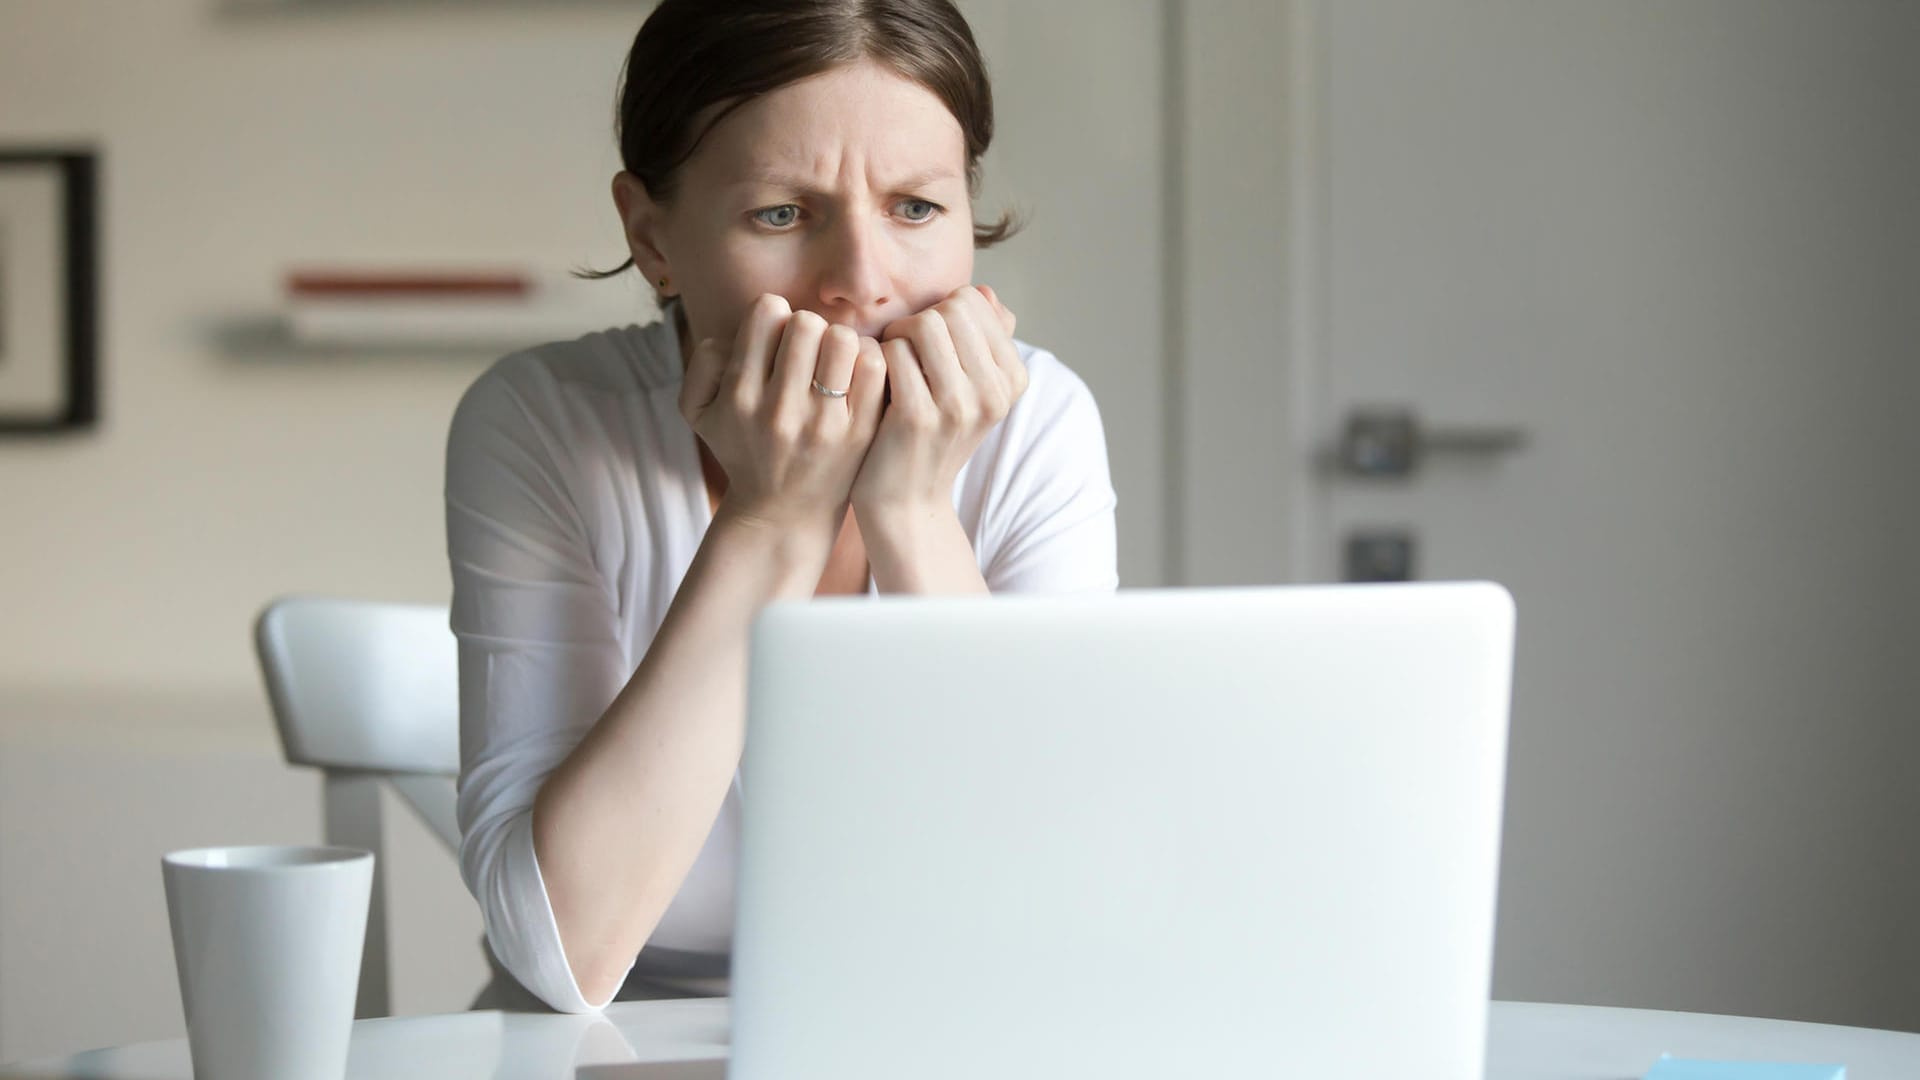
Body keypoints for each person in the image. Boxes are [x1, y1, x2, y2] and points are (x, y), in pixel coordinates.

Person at [445, 0, 1118, 1014]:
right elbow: (563, 955)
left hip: (931, 1035)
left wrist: (916, 513)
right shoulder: (541, 422)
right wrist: (771, 521)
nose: (861, 282)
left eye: (916, 208)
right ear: (653, 237)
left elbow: (1056, 911)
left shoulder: (1039, 424)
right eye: (780, 214)